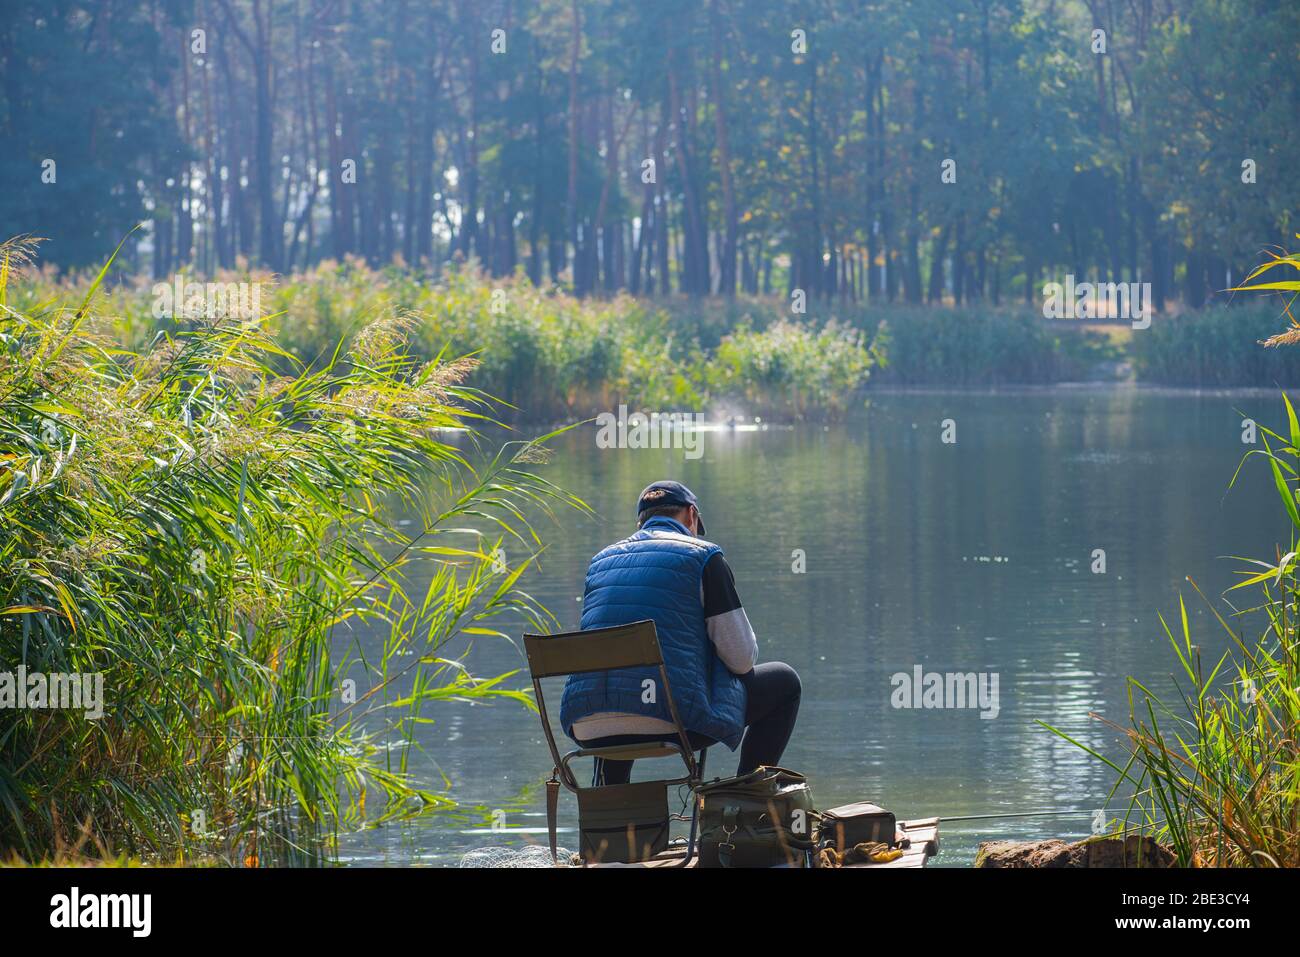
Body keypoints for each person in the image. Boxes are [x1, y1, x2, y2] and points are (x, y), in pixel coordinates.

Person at [560, 480, 801, 785]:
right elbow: (741, 659)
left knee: (621, 692)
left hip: (589, 727)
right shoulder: (704, 556)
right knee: (785, 682)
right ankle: (746, 804)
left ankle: (611, 824)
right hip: (673, 724)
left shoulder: (600, 563)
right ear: (691, 515)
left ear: (640, 522)